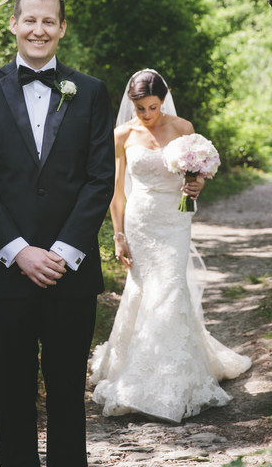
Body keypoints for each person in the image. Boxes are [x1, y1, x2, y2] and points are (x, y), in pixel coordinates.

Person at [0, 0, 116, 467]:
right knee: (11, 397)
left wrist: (64, 252)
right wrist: (19, 250)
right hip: (4, 273)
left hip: (71, 274)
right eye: (30, 19)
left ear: (62, 28)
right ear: (14, 24)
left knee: (69, 394)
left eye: (49, 21)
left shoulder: (90, 92)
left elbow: (99, 180)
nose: (38, 29)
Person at [89, 69, 252, 423]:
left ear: (164, 99)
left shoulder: (184, 129)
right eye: (139, 108)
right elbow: (117, 191)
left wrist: (196, 188)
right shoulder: (122, 134)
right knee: (143, 289)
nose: (146, 115)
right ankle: (135, 370)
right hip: (140, 220)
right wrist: (118, 235)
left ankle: (170, 379)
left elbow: (197, 176)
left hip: (176, 220)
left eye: (152, 106)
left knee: (172, 287)